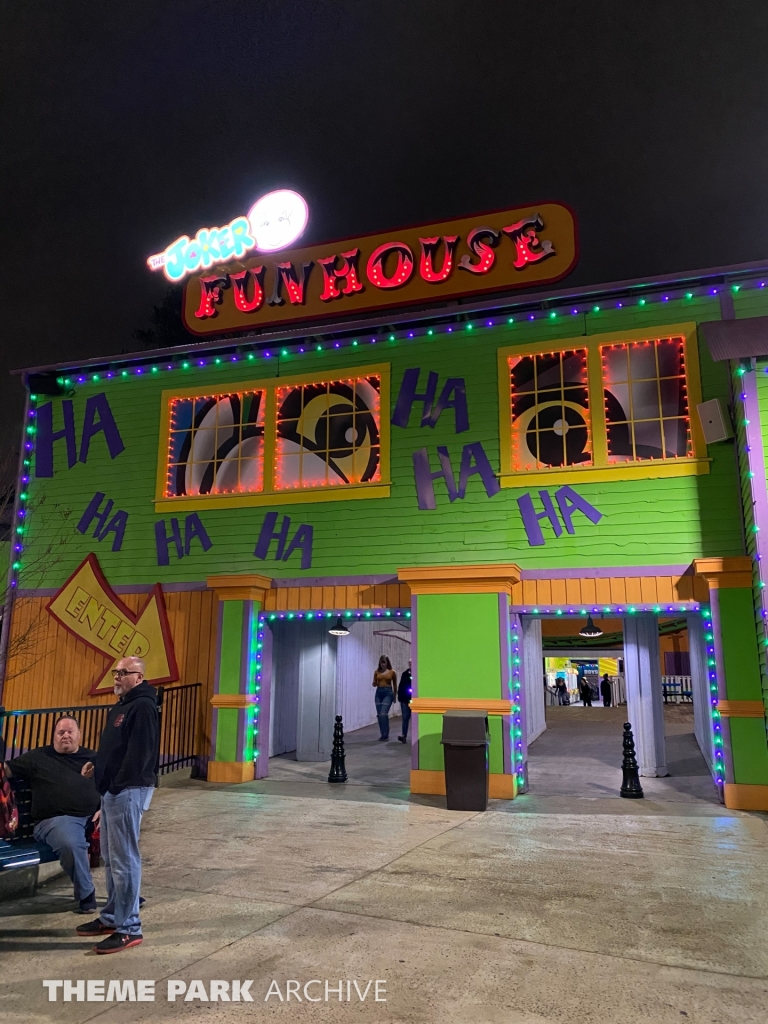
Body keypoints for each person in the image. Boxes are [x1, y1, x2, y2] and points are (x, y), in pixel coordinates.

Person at [76, 656, 159, 955]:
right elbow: (115, 748)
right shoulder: (123, 705)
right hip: (112, 790)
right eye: (116, 672)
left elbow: (140, 754)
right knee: (112, 858)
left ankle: (130, 928)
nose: (117, 677)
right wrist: (97, 766)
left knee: (125, 860)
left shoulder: (144, 706)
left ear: (138, 677)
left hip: (127, 790)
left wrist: (118, 784)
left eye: (124, 673)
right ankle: (113, 916)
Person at [4, 715, 100, 912]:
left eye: (70, 731)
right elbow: (6, 770)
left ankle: (125, 893)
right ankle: (86, 894)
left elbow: (113, 786)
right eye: (60, 732)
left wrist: (105, 810)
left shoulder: (93, 758)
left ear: (79, 735)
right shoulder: (37, 758)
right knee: (71, 844)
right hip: (56, 820)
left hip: (95, 817)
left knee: (124, 838)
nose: (65, 735)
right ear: (54, 736)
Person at [372, 655, 397, 741]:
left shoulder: (392, 672)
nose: (382, 664)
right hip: (379, 693)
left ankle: (386, 732)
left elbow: (395, 685)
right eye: (381, 662)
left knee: (383, 713)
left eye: (384, 662)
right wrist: (374, 683)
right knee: (379, 715)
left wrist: (394, 696)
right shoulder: (376, 672)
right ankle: (382, 734)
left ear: (387, 663)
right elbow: (375, 682)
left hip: (388, 692)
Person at [397, 659, 412, 743]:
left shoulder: (418, 673)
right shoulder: (405, 674)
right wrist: (400, 697)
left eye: (411, 663)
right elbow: (401, 686)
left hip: (414, 700)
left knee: (415, 719)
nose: (410, 664)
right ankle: (404, 735)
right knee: (405, 717)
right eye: (409, 663)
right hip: (405, 699)